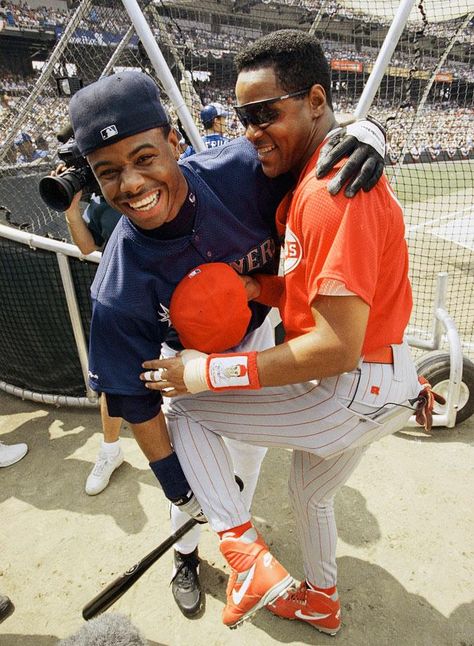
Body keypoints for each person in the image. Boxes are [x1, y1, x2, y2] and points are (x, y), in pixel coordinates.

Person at [67, 70, 385, 623]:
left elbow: (316, 145)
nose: (132, 184)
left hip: (258, 336)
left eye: (144, 158)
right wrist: (179, 490)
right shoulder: (118, 287)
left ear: (174, 142)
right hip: (185, 363)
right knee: (193, 473)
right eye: (108, 172)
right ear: (94, 179)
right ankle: (188, 559)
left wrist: (369, 133)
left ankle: (240, 547)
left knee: (245, 463)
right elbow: (135, 400)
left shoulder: (241, 172)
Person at [142, 30, 424, 634]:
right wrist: (256, 289)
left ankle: (242, 558)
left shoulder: (329, 192)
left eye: (266, 113)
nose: (250, 130)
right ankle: (321, 601)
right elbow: (310, 294)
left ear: (317, 101)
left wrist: (204, 371)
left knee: (185, 406)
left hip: (352, 386)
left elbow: (335, 347)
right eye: (244, 115)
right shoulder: (317, 178)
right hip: (388, 379)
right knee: (310, 494)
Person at [61, 188, 124, 496]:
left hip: (177, 291)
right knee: (112, 380)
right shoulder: (101, 200)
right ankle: (110, 450)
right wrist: (72, 210)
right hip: (126, 297)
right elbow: (87, 246)